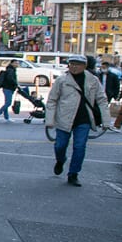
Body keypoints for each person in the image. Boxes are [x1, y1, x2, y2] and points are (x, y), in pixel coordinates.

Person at [45, 55, 111, 187]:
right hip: (64, 117)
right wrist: (49, 119)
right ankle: (60, 160)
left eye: (78, 64)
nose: (74, 67)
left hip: (84, 119)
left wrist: (106, 121)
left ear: (85, 66)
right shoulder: (62, 80)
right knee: (60, 145)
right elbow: (52, 100)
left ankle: (73, 174)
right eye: (72, 64)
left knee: (79, 147)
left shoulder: (92, 80)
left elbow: (102, 100)